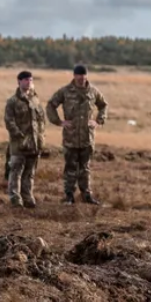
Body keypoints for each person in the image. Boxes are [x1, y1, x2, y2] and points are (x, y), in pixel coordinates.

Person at [46, 64, 109, 205]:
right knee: (70, 167)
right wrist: (59, 122)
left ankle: (86, 195)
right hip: (71, 137)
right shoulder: (65, 91)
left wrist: (98, 121)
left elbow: (103, 105)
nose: (81, 78)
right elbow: (51, 105)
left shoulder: (93, 91)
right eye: (79, 75)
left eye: (84, 75)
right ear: (74, 76)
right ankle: (69, 195)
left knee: (85, 167)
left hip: (87, 137)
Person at [4, 71, 46, 208]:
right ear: (19, 81)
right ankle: (15, 198)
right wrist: (20, 136)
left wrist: (41, 138)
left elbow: (41, 121)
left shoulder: (35, 100)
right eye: (26, 80)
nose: (29, 82)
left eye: (31, 80)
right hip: (19, 145)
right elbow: (9, 121)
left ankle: (27, 196)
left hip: (34, 144)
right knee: (16, 171)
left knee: (30, 172)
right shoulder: (13, 102)